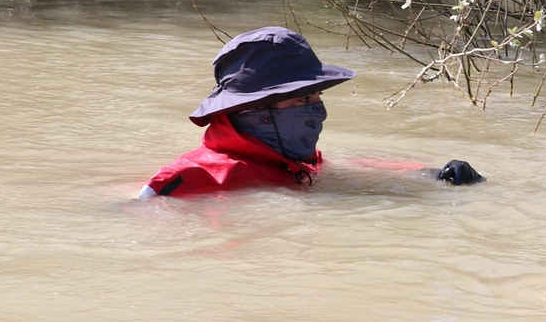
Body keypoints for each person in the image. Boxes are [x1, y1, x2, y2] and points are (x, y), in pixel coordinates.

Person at [137, 26, 484, 198]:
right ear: (254, 110)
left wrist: (430, 172)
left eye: (316, 97)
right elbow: (136, 215)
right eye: (301, 101)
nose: (316, 112)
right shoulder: (195, 176)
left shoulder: (289, 158)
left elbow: (348, 167)